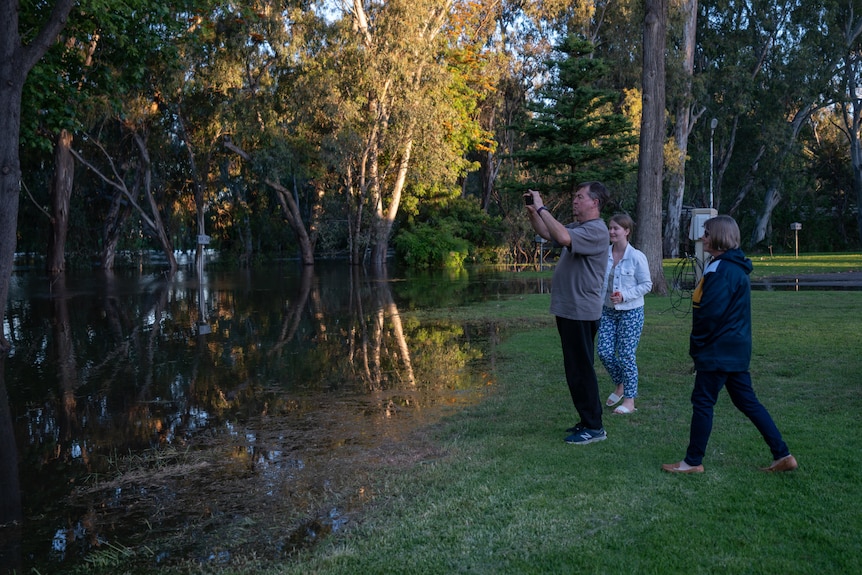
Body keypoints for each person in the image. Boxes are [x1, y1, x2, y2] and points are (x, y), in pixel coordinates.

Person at [662, 215, 798, 473]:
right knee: (747, 402)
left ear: (719, 237)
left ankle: (692, 462)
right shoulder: (731, 266)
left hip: (718, 350)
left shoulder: (721, 270)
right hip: (734, 349)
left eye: (706, 233)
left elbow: (710, 316)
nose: (702, 237)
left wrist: (697, 347)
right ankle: (782, 455)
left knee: (703, 402)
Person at [524, 183, 610, 445]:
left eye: (579, 197)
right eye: (574, 196)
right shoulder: (580, 228)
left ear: (594, 202)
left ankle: (595, 428)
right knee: (575, 369)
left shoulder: (596, 230)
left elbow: (562, 238)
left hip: (581, 311)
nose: (574, 201)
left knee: (581, 369)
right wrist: (532, 212)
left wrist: (542, 207)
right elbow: (549, 233)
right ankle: (586, 420)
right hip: (570, 310)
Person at [597, 213, 652, 415]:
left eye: (616, 228)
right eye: (610, 228)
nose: (611, 231)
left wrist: (625, 296)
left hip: (631, 312)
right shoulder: (605, 254)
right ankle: (620, 385)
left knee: (627, 355)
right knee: (604, 351)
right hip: (607, 312)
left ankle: (629, 400)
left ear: (627, 231)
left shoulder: (637, 257)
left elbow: (647, 285)